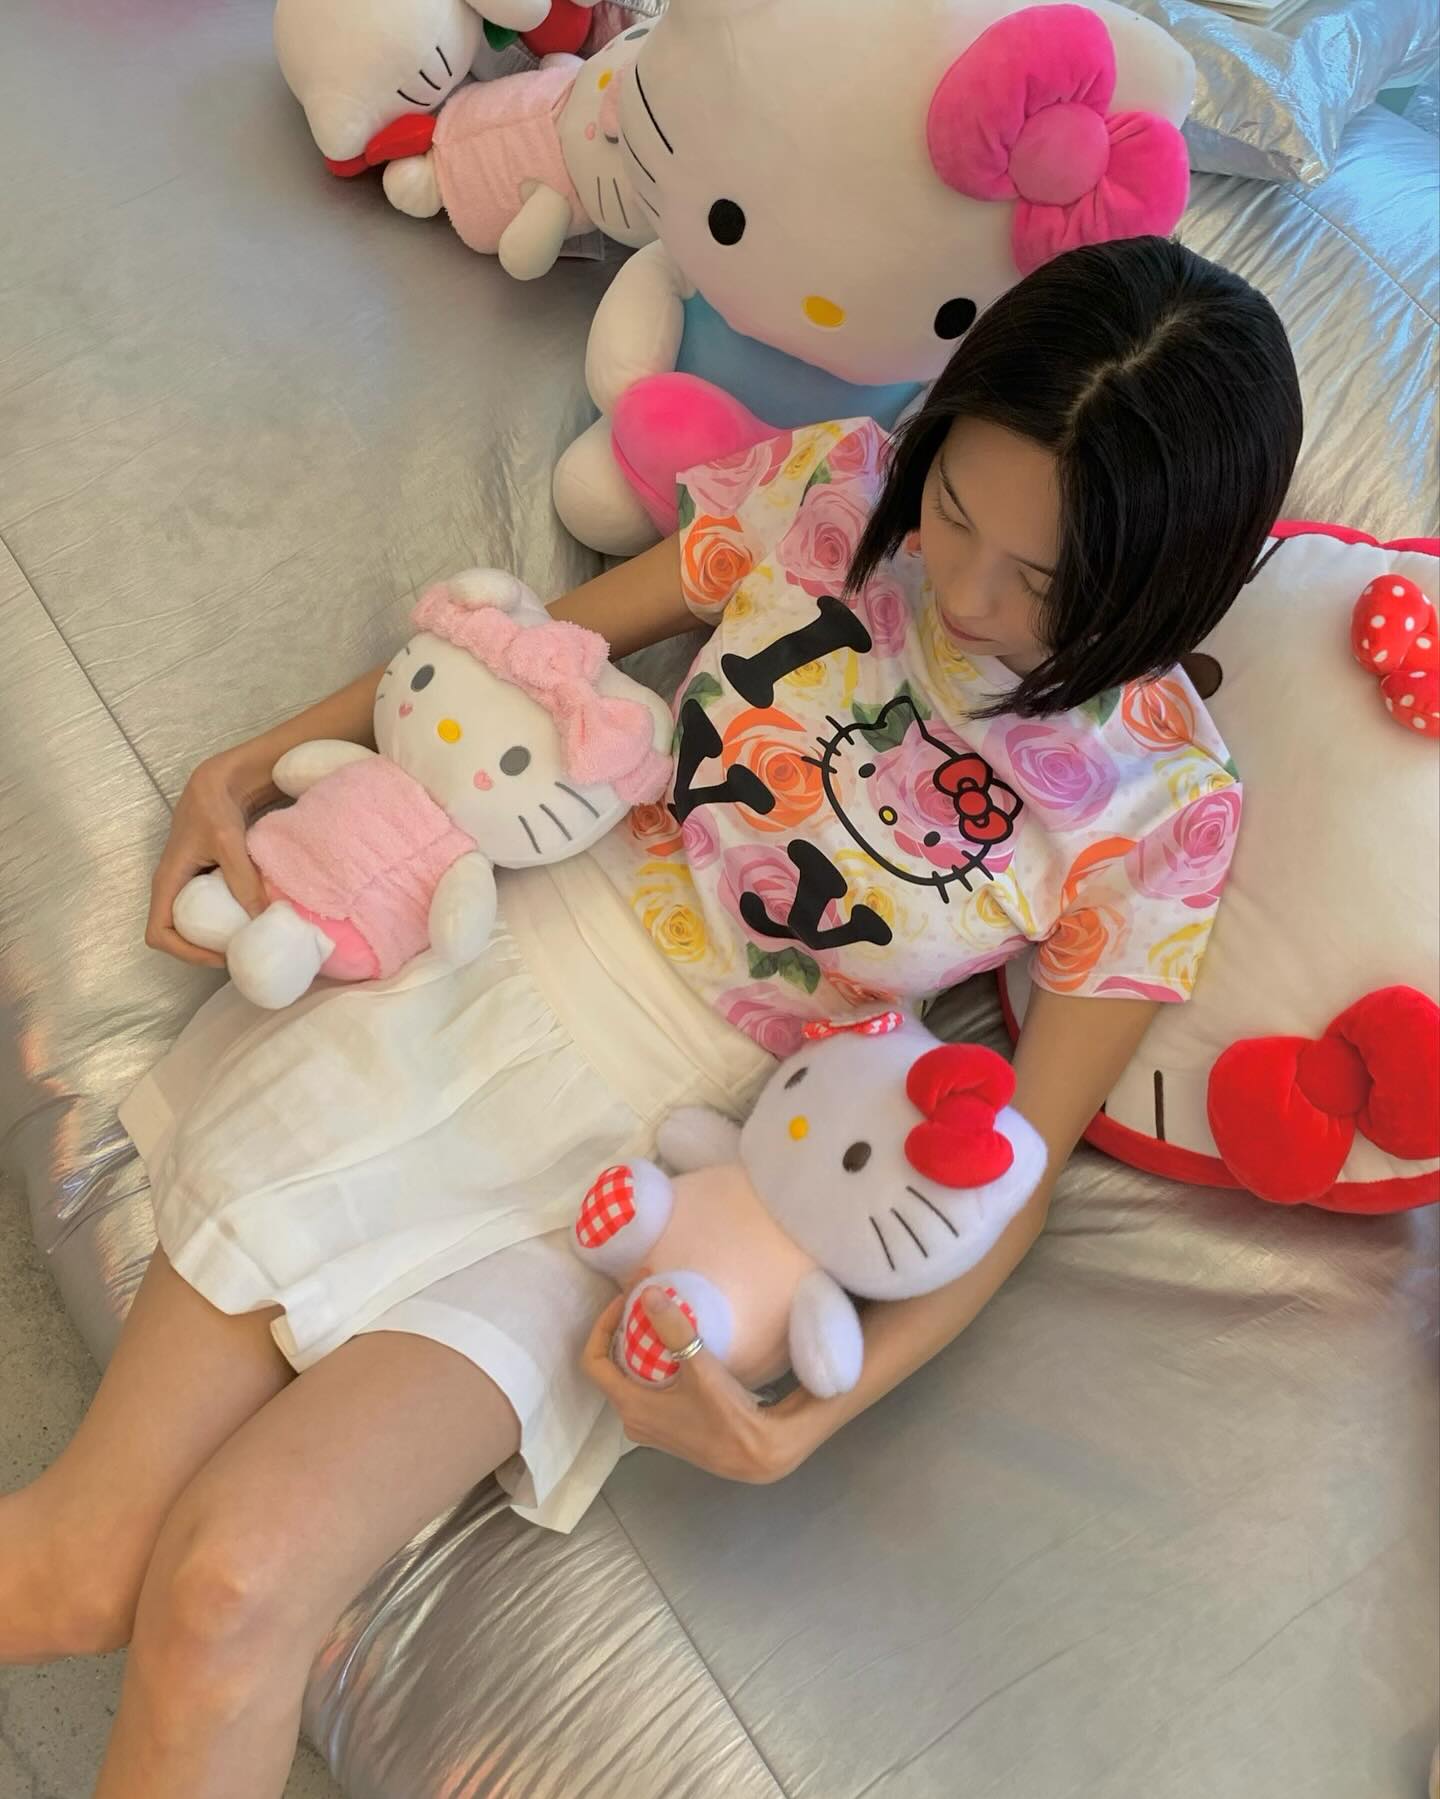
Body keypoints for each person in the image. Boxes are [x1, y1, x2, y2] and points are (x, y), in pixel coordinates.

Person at [0, 236, 1301, 1797]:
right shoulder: (838, 491)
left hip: (668, 1184)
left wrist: (803, 1421)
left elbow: (1004, 1177)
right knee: (86, 1566)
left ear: (1166, 582)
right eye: (956, 509)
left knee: (229, 1592)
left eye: (1046, 583)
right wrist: (249, 765)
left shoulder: (1161, 805)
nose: (963, 593)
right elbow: (530, 660)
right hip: (475, 977)